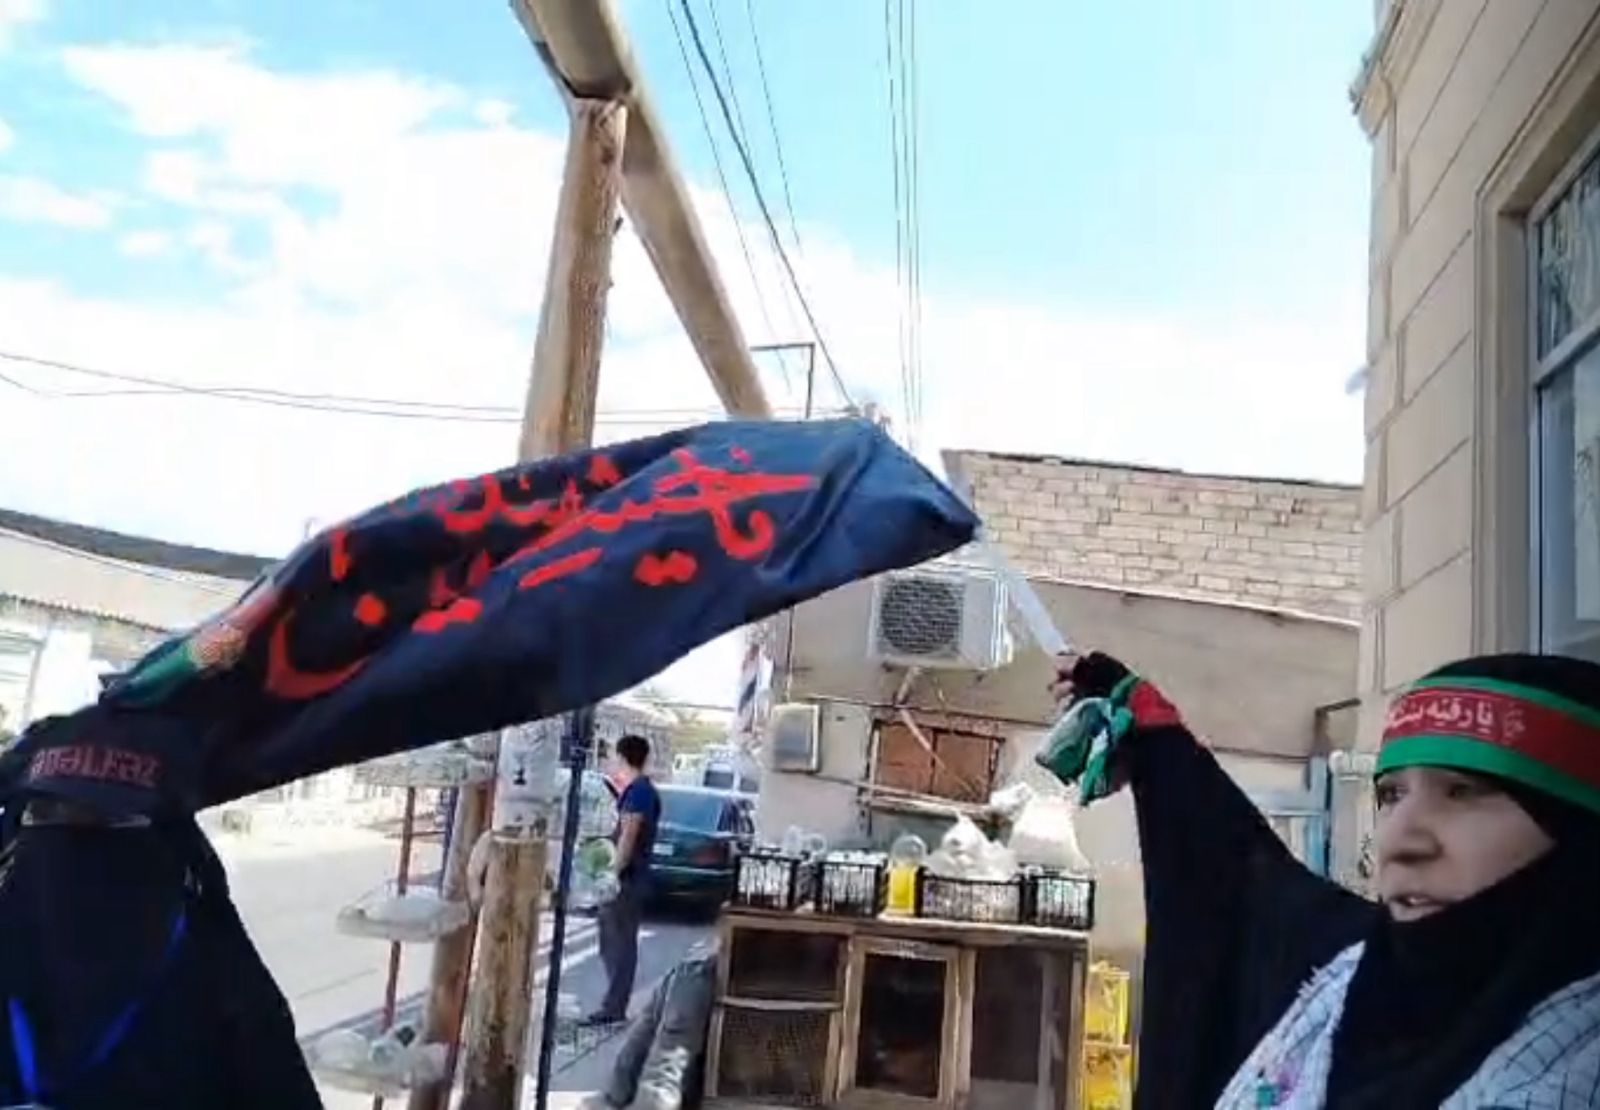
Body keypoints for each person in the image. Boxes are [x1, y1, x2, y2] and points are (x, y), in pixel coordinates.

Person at [1049, 650, 1600, 1109]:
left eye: (1462, 792)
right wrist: (1153, 739)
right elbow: (1233, 877)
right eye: (1391, 795)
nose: (1400, 842)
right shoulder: (1347, 984)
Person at [0, 797, 322, 1108]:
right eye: (45, 812)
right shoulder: (217, 960)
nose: (72, 842)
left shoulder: (217, 971)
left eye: (109, 816)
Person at [587, 733, 662, 1025]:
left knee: (618, 944)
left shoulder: (638, 792)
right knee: (613, 941)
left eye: (613, 757)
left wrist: (612, 874)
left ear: (622, 757)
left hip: (627, 881)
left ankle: (614, 1007)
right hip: (631, 878)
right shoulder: (639, 790)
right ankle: (614, 1003)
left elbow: (629, 835)